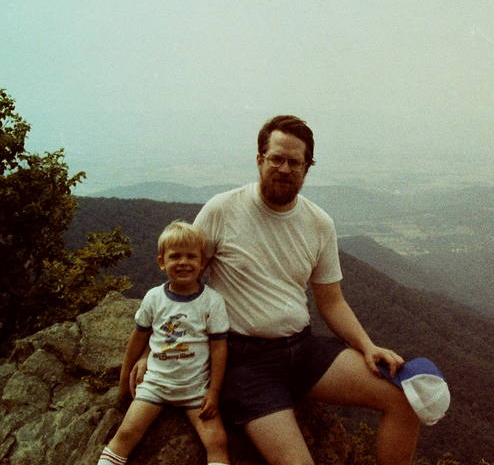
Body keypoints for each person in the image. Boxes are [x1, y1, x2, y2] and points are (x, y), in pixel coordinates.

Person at [193, 114, 420, 464]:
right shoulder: (222, 210)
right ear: (259, 159)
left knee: (406, 399)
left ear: (307, 168)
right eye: (276, 159)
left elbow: (332, 302)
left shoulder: (318, 223)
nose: (284, 169)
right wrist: (155, 349)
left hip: (301, 350)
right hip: (244, 361)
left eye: (295, 162)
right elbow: (184, 284)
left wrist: (367, 346)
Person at [97, 221, 230, 465]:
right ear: (162, 262)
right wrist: (124, 383)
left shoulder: (212, 302)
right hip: (155, 386)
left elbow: (219, 347)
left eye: (191, 256)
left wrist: (214, 392)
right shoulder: (154, 298)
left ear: (203, 263)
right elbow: (138, 337)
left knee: (217, 441)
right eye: (175, 256)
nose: (183, 262)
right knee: (126, 434)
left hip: (195, 389)